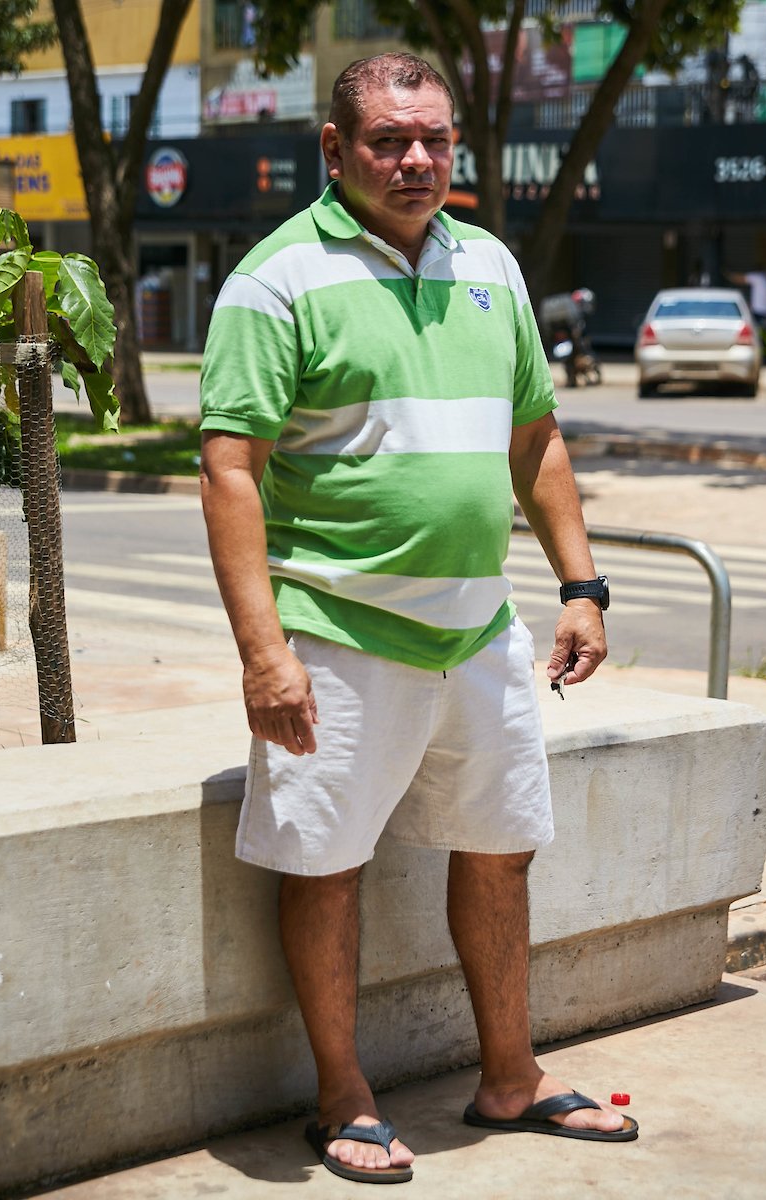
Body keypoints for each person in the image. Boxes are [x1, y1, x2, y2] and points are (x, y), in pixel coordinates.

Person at [200, 52, 637, 1186]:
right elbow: (230, 471)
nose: (415, 159)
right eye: (389, 140)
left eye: (433, 139)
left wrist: (580, 585)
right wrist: (263, 654)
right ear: (334, 150)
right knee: (326, 865)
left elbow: (532, 435)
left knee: (500, 852)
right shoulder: (273, 278)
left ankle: (510, 1078)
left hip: (475, 629)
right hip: (338, 633)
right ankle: (341, 1095)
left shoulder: (487, 262)